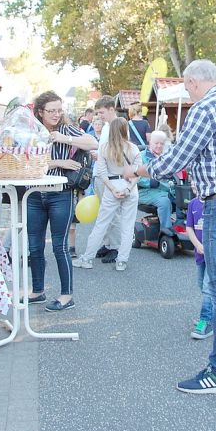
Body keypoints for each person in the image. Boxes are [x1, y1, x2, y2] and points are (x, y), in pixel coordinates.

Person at [125, 59, 216, 395]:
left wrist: (139, 170)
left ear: (193, 81)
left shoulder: (204, 110)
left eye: (187, 86)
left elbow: (175, 160)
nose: (188, 92)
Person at [27, 91, 98, 311]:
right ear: (40, 112)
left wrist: (63, 138)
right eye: (51, 111)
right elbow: (26, 160)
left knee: (60, 246)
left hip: (61, 194)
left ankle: (67, 296)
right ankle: (37, 291)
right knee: (35, 246)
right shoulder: (31, 130)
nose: (56, 114)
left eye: (59, 110)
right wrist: (59, 162)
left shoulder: (67, 128)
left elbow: (92, 143)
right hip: (34, 195)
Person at [73, 118, 140, 271]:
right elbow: (138, 172)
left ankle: (87, 258)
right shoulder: (134, 148)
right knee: (128, 226)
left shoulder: (104, 148)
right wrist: (129, 189)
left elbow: (102, 173)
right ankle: (122, 261)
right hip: (130, 186)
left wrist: (112, 188)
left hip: (112, 186)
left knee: (101, 225)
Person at [90, 95, 123, 264]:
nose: (99, 116)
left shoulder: (118, 126)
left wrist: (100, 155)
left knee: (113, 214)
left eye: (101, 112)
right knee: (104, 213)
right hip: (101, 174)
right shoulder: (106, 127)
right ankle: (107, 243)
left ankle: (116, 247)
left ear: (111, 109)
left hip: (111, 176)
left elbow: (120, 151)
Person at [185, 182, 213, 340]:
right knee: (202, 284)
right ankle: (212, 315)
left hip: (213, 254)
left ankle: (206, 320)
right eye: (193, 180)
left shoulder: (213, 204)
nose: (195, 183)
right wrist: (197, 245)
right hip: (199, 253)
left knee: (208, 287)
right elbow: (189, 227)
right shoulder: (193, 204)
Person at [138, 131, 175, 235]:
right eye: (156, 143)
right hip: (146, 191)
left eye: (162, 143)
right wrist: (150, 182)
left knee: (185, 200)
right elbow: (135, 176)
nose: (159, 146)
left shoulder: (167, 157)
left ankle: (181, 227)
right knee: (164, 202)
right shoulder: (141, 156)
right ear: (150, 142)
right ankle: (166, 232)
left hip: (166, 190)